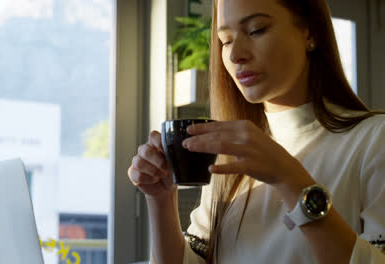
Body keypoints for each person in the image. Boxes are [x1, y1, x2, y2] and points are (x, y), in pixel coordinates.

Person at [127, 0, 385, 263]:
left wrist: (288, 177)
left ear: (309, 32)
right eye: (225, 40)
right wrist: (160, 200)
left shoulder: (375, 140)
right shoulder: (228, 152)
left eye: (256, 30)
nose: (235, 54)